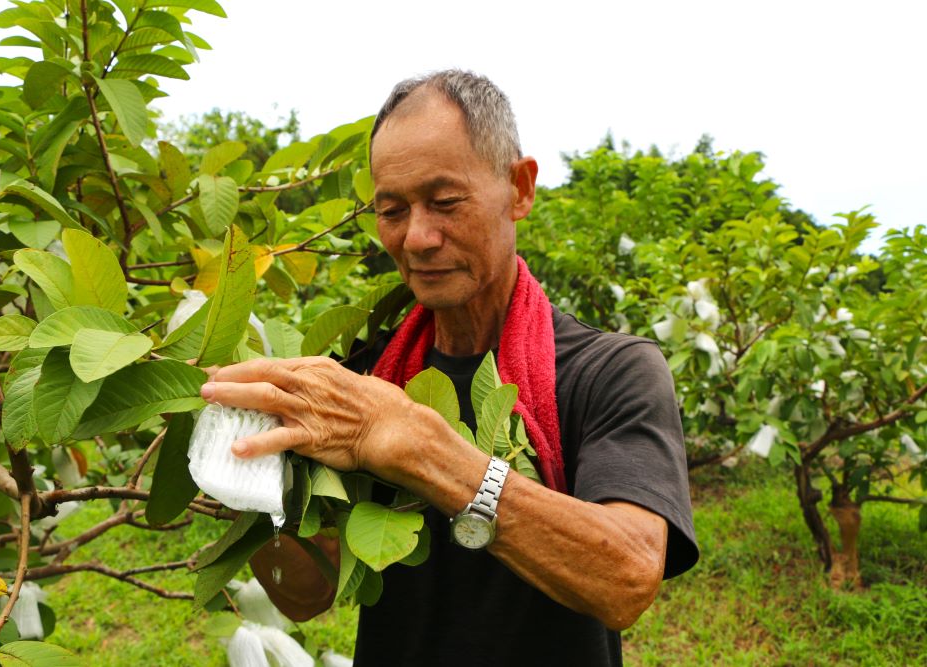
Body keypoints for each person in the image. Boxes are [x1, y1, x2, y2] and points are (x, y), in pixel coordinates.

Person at [200, 70, 698, 666]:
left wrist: (413, 446)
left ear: (519, 188)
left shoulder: (611, 371)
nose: (417, 237)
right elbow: (308, 594)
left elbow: (626, 578)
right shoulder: (361, 375)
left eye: (445, 202)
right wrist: (239, 472)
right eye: (391, 209)